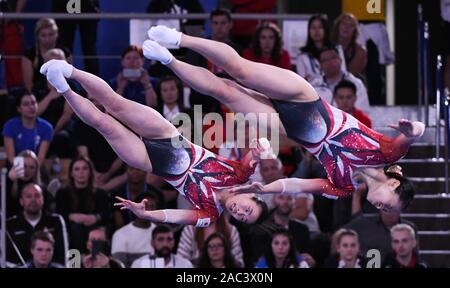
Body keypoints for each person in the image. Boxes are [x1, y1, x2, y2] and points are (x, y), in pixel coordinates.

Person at [143, 25, 424, 212]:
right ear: (394, 184)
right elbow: (413, 135)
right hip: (306, 101)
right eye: (389, 205)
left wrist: (262, 189)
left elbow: (296, 185)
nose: (382, 210)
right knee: (241, 71)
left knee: (225, 91)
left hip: (290, 128)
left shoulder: (343, 187)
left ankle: (169, 59)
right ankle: (181, 39)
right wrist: (413, 129)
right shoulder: (385, 155)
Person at [40, 59, 269, 228]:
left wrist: (147, 215)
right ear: (251, 196)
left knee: (104, 125)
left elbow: (174, 215)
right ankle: (70, 70)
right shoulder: (241, 175)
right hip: (167, 137)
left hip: (148, 161)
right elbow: (256, 151)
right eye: (246, 209)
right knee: (114, 104)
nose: (238, 211)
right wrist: (262, 146)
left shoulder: (209, 214)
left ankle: (62, 87)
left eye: (241, 217)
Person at [55, 156, 110, 252]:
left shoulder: (100, 193)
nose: (81, 172)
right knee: (76, 227)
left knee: (94, 232)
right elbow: (59, 214)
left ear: (90, 172)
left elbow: (107, 214)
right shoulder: (62, 193)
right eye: (77, 169)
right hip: (71, 234)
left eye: (85, 168)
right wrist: (72, 216)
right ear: (71, 173)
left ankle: (95, 262)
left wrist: (95, 217)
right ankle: (75, 263)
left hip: (94, 232)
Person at [6, 183, 68, 267]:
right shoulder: (10, 224)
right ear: (21, 201)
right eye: (29, 196)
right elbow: (6, 259)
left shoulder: (56, 220)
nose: (33, 200)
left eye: (37, 196)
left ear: (43, 199)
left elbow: (63, 255)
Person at [311, 46, 370, 113]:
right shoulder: (313, 86)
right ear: (320, 65)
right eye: (325, 60)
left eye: (333, 58)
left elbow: (363, 112)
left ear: (340, 60)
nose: (330, 62)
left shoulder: (356, 83)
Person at [22, 18, 72, 95]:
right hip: (37, 95)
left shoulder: (65, 53)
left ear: (57, 34)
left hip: (62, 94)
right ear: (37, 36)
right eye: (43, 35)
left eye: (51, 34)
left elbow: (68, 78)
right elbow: (29, 86)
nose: (47, 39)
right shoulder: (29, 55)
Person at [2, 91, 53, 166]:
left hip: (36, 168)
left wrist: (31, 170)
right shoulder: (9, 126)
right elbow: (11, 159)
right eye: (26, 104)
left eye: (33, 103)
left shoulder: (47, 128)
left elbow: (40, 159)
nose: (31, 107)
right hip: (15, 167)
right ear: (19, 109)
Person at [111, 192, 159, 267]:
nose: (149, 210)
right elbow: (118, 265)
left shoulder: (160, 233)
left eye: (152, 206)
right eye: (145, 206)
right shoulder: (120, 234)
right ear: (135, 208)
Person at [177, 214, 244, 267]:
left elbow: (238, 262)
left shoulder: (231, 230)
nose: (214, 249)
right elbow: (181, 262)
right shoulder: (189, 230)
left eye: (219, 245)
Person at [297, 14, 346, 82]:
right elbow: (302, 81)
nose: (316, 31)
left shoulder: (337, 49)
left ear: (325, 29)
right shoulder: (302, 55)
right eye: (313, 28)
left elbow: (343, 72)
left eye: (320, 27)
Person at [331, 13, 367, 79]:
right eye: (344, 23)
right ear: (338, 26)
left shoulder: (360, 50)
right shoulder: (329, 46)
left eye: (351, 25)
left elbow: (350, 75)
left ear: (355, 30)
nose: (347, 27)